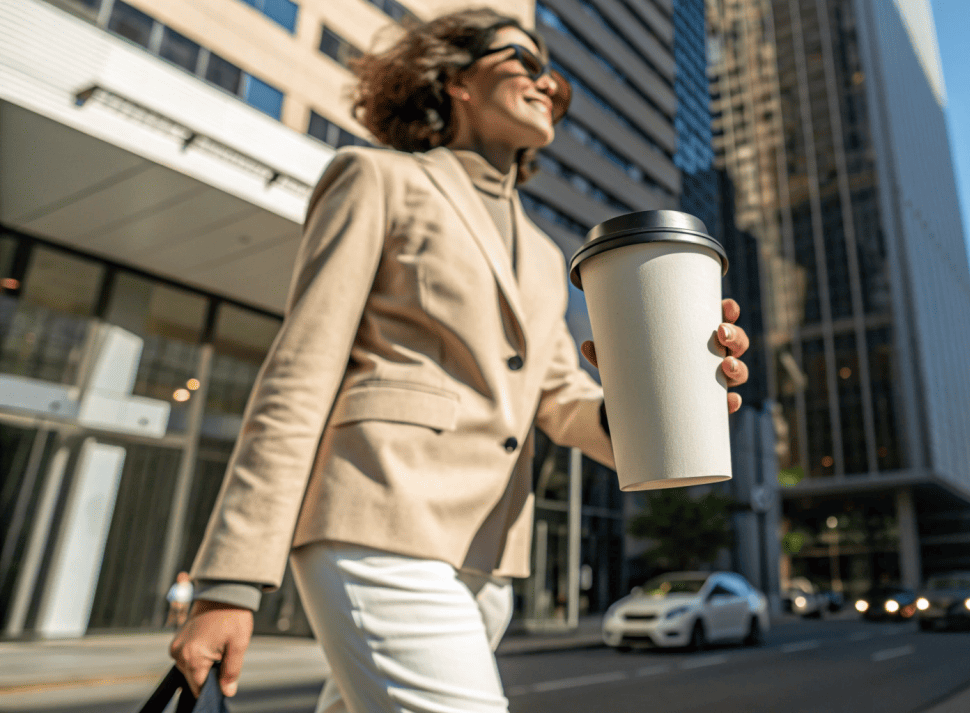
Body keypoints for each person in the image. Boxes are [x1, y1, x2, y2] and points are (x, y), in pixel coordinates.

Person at [168, 9, 751, 712]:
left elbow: (561, 401)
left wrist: (672, 392)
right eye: (524, 63)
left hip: (487, 564)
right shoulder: (376, 179)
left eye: (555, 80)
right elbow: (300, 371)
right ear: (455, 82)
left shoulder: (543, 254)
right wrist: (229, 582)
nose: (548, 85)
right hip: (379, 522)